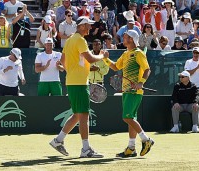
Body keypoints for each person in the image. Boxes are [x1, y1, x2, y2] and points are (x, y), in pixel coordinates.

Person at [49, 16, 109, 158]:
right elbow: (90, 59)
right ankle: (86, 149)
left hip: (73, 81)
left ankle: (58, 140)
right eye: (88, 25)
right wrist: (102, 56)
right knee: (84, 115)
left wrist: (71, 70)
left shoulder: (70, 40)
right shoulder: (80, 40)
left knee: (77, 115)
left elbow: (63, 61)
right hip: (80, 83)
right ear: (81, 26)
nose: (90, 27)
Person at [103, 30, 154, 158]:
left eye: (125, 37)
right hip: (127, 91)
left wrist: (141, 82)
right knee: (131, 119)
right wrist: (105, 59)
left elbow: (147, 69)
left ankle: (146, 139)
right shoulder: (126, 54)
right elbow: (115, 67)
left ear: (131, 39)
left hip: (134, 91)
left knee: (127, 118)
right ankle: (131, 148)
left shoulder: (138, 53)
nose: (123, 38)